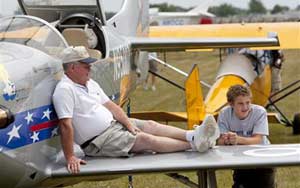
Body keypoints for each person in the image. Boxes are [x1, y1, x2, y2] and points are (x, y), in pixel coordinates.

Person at [52, 46, 220, 174]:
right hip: (98, 141)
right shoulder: (65, 89)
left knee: (151, 125)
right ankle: (194, 144)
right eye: (85, 65)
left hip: (113, 125)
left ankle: (193, 135)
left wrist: (128, 124)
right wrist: (70, 157)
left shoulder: (90, 83)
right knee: (146, 139)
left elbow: (112, 107)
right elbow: (65, 125)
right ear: (72, 67)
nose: (90, 68)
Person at [217, 84, 275, 188]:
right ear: (231, 104)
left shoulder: (260, 112)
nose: (245, 107)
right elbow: (219, 141)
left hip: (263, 159)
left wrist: (237, 139)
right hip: (239, 158)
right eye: (240, 104)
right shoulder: (224, 114)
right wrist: (226, 140)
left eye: (248, 102)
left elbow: (258, 139)